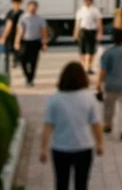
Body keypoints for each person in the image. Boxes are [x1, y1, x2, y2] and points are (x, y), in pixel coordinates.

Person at [40, 61, 103, 190]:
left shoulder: (54, 99)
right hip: (84, 146)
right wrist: (100, 143)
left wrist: (43, 148)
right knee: (81, 183)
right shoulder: (89, 98)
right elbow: (95, 124)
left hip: (60, 147)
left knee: (61, 183)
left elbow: (48, 125)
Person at [96, 29, 122, 141]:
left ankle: (108, 126)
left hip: (111, 85)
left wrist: (98, 84)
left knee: (108, 107)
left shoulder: (108, 52)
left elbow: (103, 70)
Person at [15, 0, 49, 86]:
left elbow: (43, 31)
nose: (32, 9)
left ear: (36, 8)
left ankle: (30, 79)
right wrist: (17, 42)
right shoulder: (23, 17)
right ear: (28, 7)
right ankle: (27, 76)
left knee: (33, 61)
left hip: (35, 42)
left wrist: (44, 43)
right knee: (23, 60)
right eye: (31, 7)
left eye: (34, 7)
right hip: (25, 42)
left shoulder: (40, 18)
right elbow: (19, 30)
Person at [73, 0, 102, 75]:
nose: (85, 1)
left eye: (87, 0)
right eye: (84, 0)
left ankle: (88, 67)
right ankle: (84, 66)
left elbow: (99, 22)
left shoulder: (95, 10)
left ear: (91, 1)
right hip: (83, 31)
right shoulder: (81, 10)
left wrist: (100, 33)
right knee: (82, 51)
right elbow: (77, 23)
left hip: (91, 32)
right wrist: (75, 34)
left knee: (90, 51)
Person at [0, 0, 23, 76]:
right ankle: (16, 61)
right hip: (17, 36)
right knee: (15, 51)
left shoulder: (12, 13)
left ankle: (7, 71)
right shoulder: (20, 12)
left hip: (13, 36)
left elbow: (8, 26)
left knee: (5, 56)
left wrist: (3, 37)